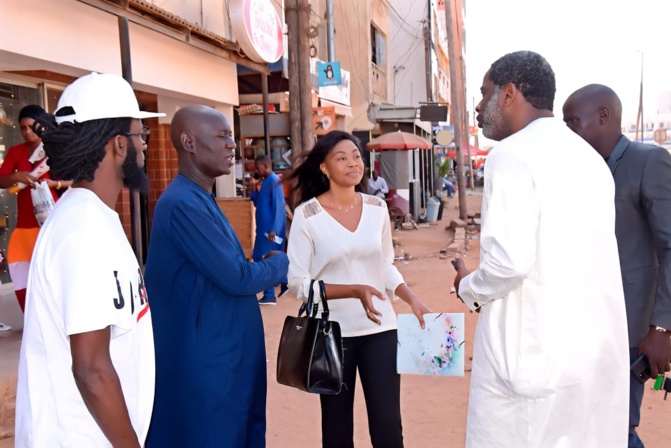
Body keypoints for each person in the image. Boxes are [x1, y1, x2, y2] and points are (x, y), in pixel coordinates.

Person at [452, 51, 630, 447]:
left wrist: (468, 286)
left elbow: (507, 265)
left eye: (485, 95)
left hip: (529, 361)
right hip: (592, 356)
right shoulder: (591, 159)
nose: (479, 107)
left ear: (510, 93)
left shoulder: (511, 155)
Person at [15, 73, 162, 446]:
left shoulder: (92, 218)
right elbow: (91, 369)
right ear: (117, 145)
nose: (144, 147)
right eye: (139, 135)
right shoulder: (82, 229)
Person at [144, 105, 289, 447]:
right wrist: (280, 264)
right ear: (189, 142)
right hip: (208, 363)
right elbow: (237, 277)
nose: (232, 145)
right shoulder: (182, 203)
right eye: (222, 136)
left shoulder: (200, 198)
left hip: (227, 355)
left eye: (231, 136)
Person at [287, 130, 430, 448]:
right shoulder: (307, 216)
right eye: (342, 158)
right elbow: (298, 284)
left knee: (387, 424)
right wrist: (352, 290)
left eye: (356, 156)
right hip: (330, 336)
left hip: (381, 328)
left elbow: (385, 265)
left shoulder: (377, 207)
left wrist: (412, 298)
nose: (353, 163)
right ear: (324, 167)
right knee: (336, 430)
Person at [563, 84, 671, 448]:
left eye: (573, 121)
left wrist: (662, 329)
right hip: (590, 327)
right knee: (591, 427)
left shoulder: (648, 161)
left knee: (617, 430)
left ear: (603, 117)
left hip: (632, 330)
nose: (568, 131)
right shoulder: (584, 173)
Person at [0, 105, 71, 312]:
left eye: (32, 127)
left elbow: (76, 180)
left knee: (53, 275)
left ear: (42, 126)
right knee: (20, 272)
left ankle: (56, 315)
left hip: (52, 223)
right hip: (24, 226)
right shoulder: (16, 152)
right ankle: (31, 317)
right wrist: (17, 176)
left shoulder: (55, 150)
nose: (27, 132)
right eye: (23, 128)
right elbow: (2, 180)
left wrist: (54, 184)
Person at [250, 155, 288, 305]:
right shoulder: (266, 182)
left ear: (266, 166)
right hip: (264, 230)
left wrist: (274, 229)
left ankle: (270, 294)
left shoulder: (274, 182)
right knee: (261, 257)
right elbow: (257, 202)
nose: (256, 171)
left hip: (270, 232)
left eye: (257, 168)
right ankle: (283, 281)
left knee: (264, 258)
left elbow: (279, 208)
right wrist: (253, 186)